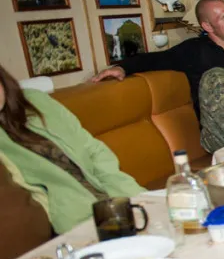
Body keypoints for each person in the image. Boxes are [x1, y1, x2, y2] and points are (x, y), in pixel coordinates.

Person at [91, 0, 224, 138]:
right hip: (219, 132)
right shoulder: (195, 50)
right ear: (207, 26)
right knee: (218, 77)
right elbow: (155, 59)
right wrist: (122, 68)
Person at [0, 65, 145, 234]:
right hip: (74, 219)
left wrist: (132, 194)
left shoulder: (36, 100)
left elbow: (91, 147)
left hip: (115, 196)